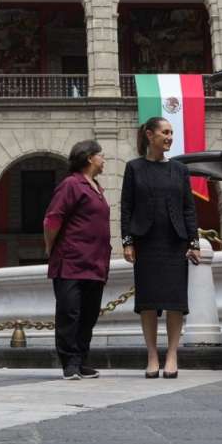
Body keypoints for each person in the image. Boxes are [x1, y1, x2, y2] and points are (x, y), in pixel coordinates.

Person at [121, 117, 199, 379]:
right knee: (148, 303)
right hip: (146, 241)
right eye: (165, 132)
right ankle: (152, 355)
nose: (169, 137)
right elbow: (126, 208)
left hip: (174, 242)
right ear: (150, 135)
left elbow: (189, 207)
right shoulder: (134, 168)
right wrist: (127, 241)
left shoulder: (180, 170)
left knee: (175, 301)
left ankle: (172, 355)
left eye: (171, 133)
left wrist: (194, 242)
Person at [44, 139, 112, 380]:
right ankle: (69, 363)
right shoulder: (71, 184)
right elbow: (52, 219)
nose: (104, 160)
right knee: (69, 313)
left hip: (95, 263)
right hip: (71, 261)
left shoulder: (97, 187)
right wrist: (51, 248)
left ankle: (81, 359)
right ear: (89, 158)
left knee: (89, 314)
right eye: (101, 155)